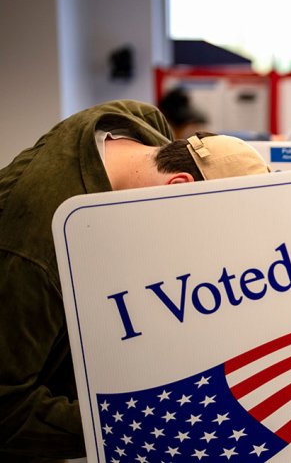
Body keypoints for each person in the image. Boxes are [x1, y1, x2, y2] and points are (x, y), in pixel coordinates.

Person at [0, 100, 270, 462]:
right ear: (178, 188)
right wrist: (147, 424)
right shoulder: (35, 250)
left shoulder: (140, 125)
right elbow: (9, 411)